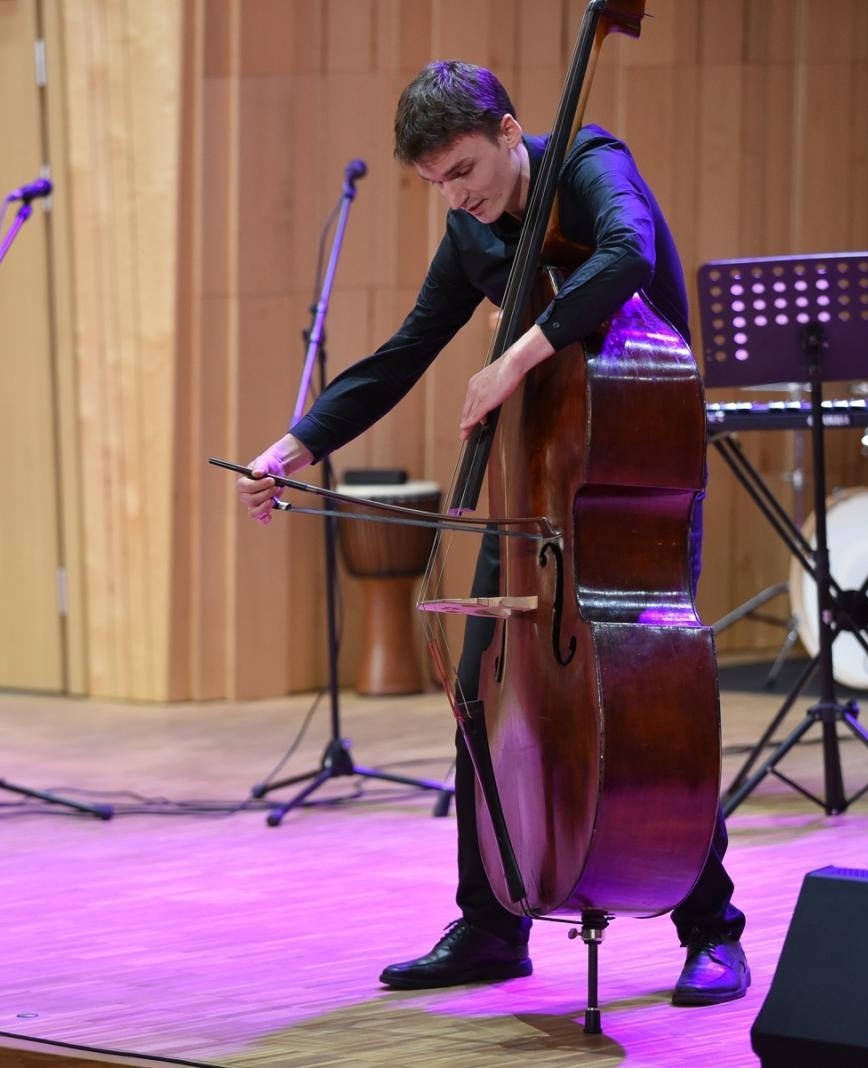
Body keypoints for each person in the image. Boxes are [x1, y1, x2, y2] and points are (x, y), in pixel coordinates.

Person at [233, 60, 749, 1007]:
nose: (457, 196)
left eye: (464, 170)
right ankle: (490, 923)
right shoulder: (467, 232)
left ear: (511, 132)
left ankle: (711, 927)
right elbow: (403, 353)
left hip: (634, 474)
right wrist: (293, 447)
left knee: (650, 710)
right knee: (479, 697)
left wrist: (514, 354)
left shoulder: (591, 165)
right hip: (534, 494)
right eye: (436, 183)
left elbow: (627, 255)